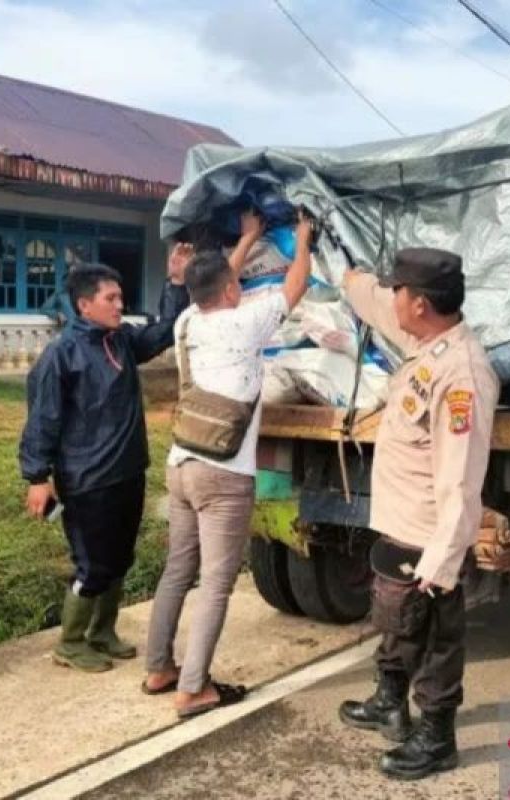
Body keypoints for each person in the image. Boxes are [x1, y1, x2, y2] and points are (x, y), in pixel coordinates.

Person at [143, 211, 314, 718]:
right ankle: (193, 688)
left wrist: (245, 240)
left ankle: (159, 668)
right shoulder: (246, 322)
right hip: (224, 474)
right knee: (216, 581)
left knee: (178, 569)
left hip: (181, 465)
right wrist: (302, 239)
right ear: (232, 290)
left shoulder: (187, 322)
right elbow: (296, 284)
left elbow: (217, 282)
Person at [336, 248, 499, 780]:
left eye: (400, 291)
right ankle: (389, 700)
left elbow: (460, 479)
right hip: (399, 524)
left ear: (422, 303)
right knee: (395, 621)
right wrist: (344, 271)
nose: (393, 298)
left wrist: (443, 563)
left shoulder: (462, 375)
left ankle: (436, 736)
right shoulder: (425, 340)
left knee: (433, 634)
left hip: (430, 535)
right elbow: (376, 305)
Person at [19, 249, 191, 672]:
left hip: (127, 473)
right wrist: (38, 477)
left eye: (120, 298)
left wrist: (176, 282)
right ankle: (71, 641)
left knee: (120, 558)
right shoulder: (62, 356)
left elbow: (165, 331)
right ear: (84, 305)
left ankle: (102, 632)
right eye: (111, 299)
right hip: (86, 481)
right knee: (92, 563)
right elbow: (43, 418)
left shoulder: (122, 342)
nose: (120, 305)